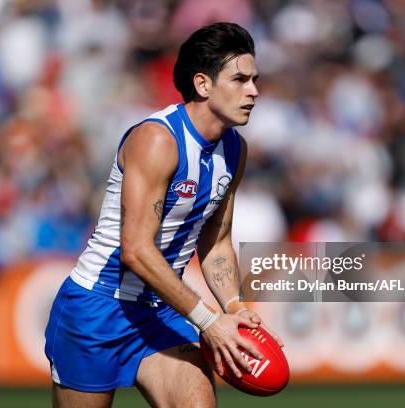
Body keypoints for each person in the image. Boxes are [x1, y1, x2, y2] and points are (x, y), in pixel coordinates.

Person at [44, 22, 282, 408]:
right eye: (240, 79)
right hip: (98, 307)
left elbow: (217, 241)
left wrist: (236, 309)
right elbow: (135, 250)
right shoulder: (158, 139)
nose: (254, 91)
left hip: (159, 310)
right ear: (203, 85)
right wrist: (208, 321)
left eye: (255, 79)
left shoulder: (235, 150)